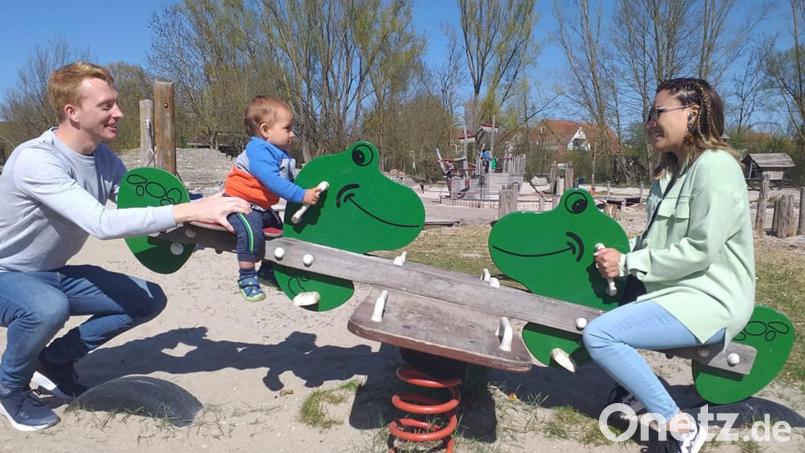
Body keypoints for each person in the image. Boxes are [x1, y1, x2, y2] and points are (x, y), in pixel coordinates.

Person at [0, 62, 251, 431]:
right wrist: (190, 210)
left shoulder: (104, 158)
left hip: (51, 273)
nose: (118, 113)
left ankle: (54, 361)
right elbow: (102, 223)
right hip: (7, 274)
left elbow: (141, 207)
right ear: (73, 112)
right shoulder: (37, 160)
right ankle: (10, 387)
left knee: (146, 299)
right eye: (106, 106)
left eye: (115, 103)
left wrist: (207, 223)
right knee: (47, 308)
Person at [587, 78, 754, 453]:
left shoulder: (716, 168)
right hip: (676, 290)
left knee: (600, 335)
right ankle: (632, 391)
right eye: (649, 113)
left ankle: (681, 426)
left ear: (692, 115)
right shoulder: (671, 174)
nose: (650, 122)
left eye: (658, 112)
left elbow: (699, 251)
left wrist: (627, 263)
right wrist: (619, 252)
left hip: (710, 300)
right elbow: (656, 241)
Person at [223, 96, 321, 302]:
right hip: (239, 204)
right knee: (251, 232)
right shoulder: (260, 150)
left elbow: (289, 181)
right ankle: (246, 277)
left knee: (281, 229)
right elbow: (272, 181)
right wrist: (302, 195)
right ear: (266, 130)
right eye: (287, 128)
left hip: (259, 206)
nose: (292, 134)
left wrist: (306, 188)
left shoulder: (279, 153)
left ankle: (267, 269)